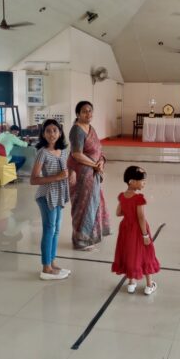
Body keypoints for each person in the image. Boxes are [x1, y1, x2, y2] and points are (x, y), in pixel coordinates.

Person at [30, 119, 71, 280]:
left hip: (59, 194)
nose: (52, 134)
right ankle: (46, 267)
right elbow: (33, 179)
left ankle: (52, 262)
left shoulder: (63, 151)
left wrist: (71, 174)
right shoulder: (42, 153)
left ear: (60, 133)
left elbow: (66, 169)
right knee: (49, 229)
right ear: (43, 134)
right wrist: (57, 177)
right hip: (46, 195)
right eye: (48, 131)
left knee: (56, 230)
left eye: (55, 130)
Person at [67, 101, 111, 250]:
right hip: (82, 174)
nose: (88, 114)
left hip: (93, 172)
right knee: (83, 206)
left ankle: (91, 237)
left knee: (93, 204)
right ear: (78, 114)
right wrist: (94, 165)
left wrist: (101, 162)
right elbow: (76, 154)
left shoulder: (91, 128)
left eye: (90, 111)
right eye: (84, 111)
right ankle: (81, 241)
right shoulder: (77, 130)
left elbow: (98, 149)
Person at [112, 166, 160, 295]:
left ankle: (131, 283)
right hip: (138, 230)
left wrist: (128, 211)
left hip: (126, 228)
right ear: (132, 181)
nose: (144, 183)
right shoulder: (139, 198)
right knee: (145, 254)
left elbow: (118, 213)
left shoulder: (122, 196)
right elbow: (141, 217)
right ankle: (149, 285)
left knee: (129, 253)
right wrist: (145, 235)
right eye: (142, 181)